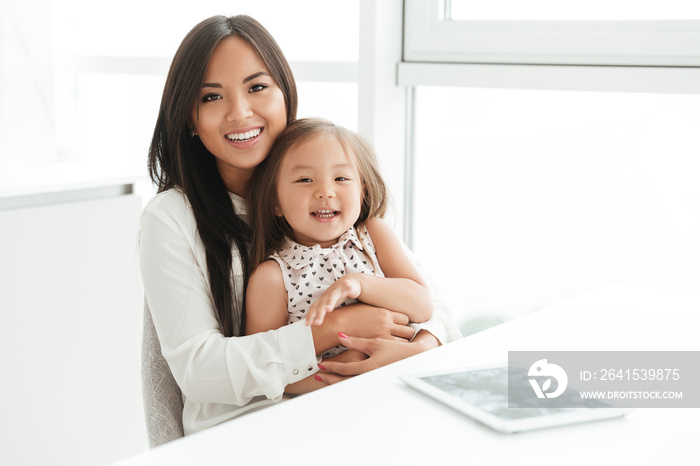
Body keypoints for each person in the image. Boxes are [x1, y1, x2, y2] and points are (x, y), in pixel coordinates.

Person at [139, 14, 461, 436]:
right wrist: (336, 328)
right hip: (254, 428)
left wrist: (413, 349)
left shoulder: (331, 185)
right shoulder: (172, 218)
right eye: (211, 97)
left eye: (257, 87)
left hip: (372, 405)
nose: (240, 112)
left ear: (286, 94)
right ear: (189, 118)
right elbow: (201, 370)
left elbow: (435, 306)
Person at [245, 118, 434, 393]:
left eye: (341, 178)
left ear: (362, 191)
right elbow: (262, 367)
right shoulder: (273, 276)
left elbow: (422, 305)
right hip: (326, 401)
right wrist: (346, 371)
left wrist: (359, 283)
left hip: (399, 382)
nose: (325, 192)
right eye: (305, 179)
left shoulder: (372, 235)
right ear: (276, 201)